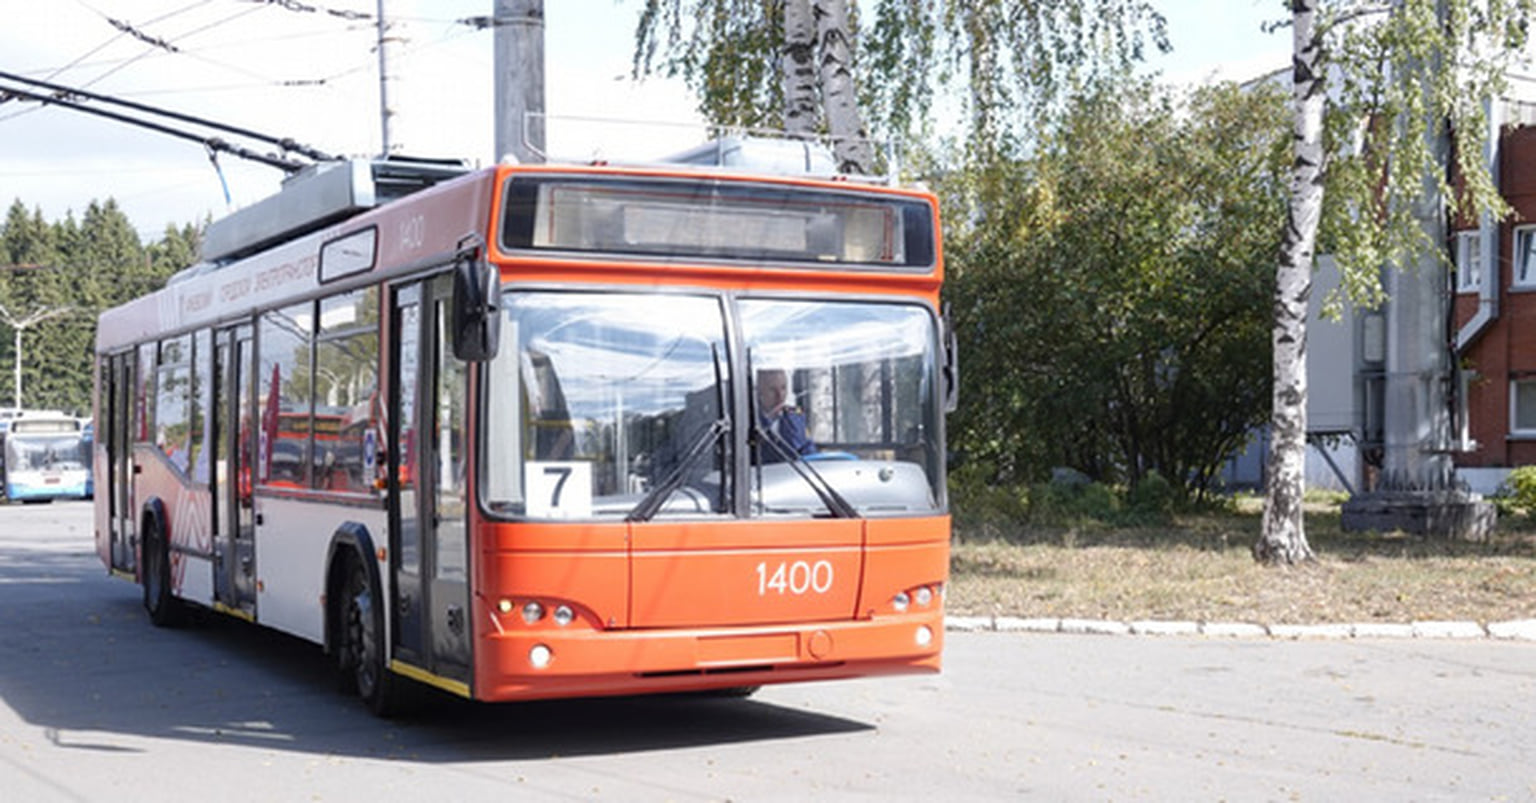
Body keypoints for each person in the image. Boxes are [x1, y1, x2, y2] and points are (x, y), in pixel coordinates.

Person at [756, 368, 816, 461]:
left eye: (783, 388)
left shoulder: (796, 416)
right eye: (772, 390)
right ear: (759, 392)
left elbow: (809, 451)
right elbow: (749, 448)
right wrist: (768, 421)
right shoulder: (748, 420)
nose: (780, 396)